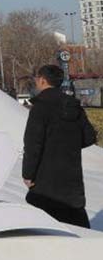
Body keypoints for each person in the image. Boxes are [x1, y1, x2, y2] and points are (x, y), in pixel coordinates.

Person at [22, 64, 97, 228]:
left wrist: (28, 174)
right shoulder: (73, 105)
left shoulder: (40, 108)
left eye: (36, 78)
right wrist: (68, 145)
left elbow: (33, 145)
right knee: (77, 225)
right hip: (72, 176)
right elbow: (90, 137)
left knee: (47, 227)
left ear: (42, 80)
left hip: (45, 179)